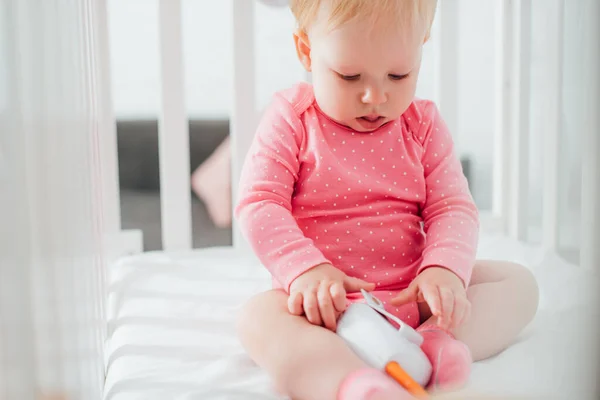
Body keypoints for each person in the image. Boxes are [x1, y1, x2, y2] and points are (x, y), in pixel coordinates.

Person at [234, 1, 539, 399]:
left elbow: (452, 207)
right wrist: (306, 270)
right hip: (325, 309)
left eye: (398, 75)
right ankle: (351, 382)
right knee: (256, 318)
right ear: (307, 51)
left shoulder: (423, 125)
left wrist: (444, 271)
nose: (374, 96)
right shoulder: (293, 118)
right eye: (349, 76)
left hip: (413, 293)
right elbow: (260, 202)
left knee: (519, 284)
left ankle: (433, 345)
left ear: (421, 47)